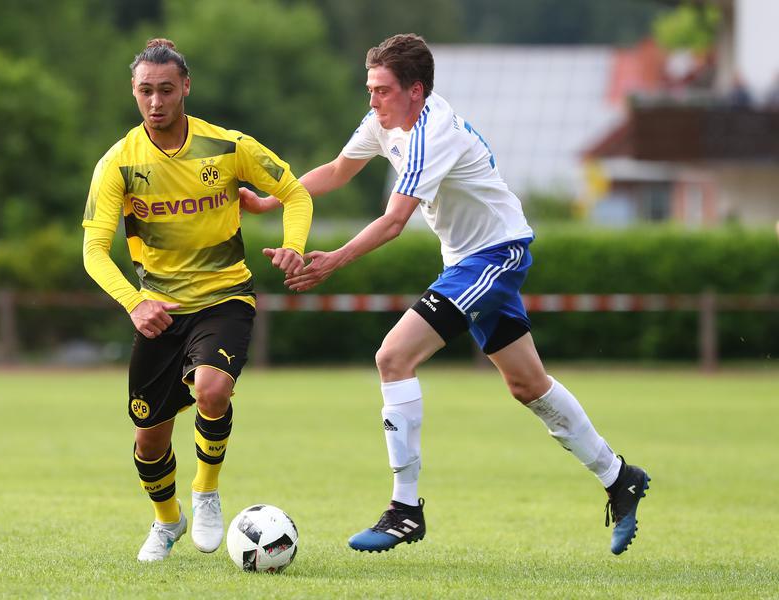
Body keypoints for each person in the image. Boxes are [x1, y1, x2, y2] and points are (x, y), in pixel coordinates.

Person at [240, 33, 649, 556]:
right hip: (468, 260)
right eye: (369, 89)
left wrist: (333, 261)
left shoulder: (434, 134)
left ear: (416, 90)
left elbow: (393, 223)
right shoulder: (384, 122)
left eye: (382, 91)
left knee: (393, 356)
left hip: (494, 255)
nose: (372, 101)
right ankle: (621, 478)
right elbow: (339, 171)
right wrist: (269, 201)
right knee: (527, 384)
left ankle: (404, 509)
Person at [82, 38, 311, 562]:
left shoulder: (228, 147)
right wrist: (134, 303)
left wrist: (294, 247)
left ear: (185, 87)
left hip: (225, 295)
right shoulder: (117, 164)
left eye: (166, 89)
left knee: (212, 390)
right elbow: (94, 252)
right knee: (149, 441)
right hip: (158, 310)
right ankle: (167, 523)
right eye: (146, 91)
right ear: (134, 93)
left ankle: (206, 491)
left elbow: (296, 193)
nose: (156, 101)